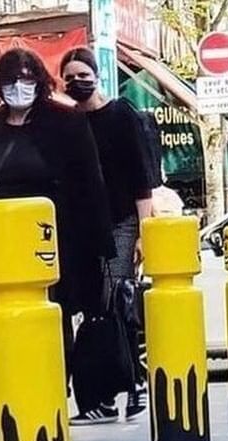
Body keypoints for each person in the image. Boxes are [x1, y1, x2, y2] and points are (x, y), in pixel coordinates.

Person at [0, 47, 114, 399]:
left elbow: (91, 184)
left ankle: (54, 382)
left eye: (26, 79)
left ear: (39, 82)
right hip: (2, 242)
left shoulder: (65, 121)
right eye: (11, 81)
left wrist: (102, 247)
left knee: (55, 312)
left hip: (54, 238)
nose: (19, 87)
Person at [61, 46, 154, 422]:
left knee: (115, 302)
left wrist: (144, 233)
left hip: (121, 223)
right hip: (82, 230)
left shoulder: (121, 115)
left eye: (83, 75)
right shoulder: (67, 125)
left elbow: (142, 179)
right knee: (96, 310)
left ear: (97, 76)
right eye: (69, 78)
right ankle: (112, 393)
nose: (76, 83)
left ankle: (131, 386)